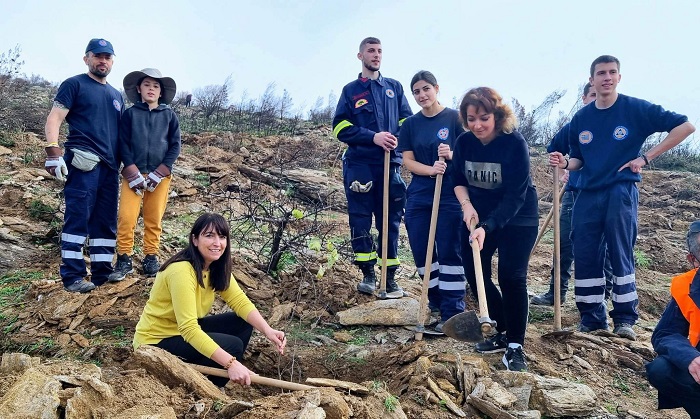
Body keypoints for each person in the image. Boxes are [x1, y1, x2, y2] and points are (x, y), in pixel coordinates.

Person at [550, 55, 695, 340]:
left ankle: (625, 319)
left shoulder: (635, 109)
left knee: (620, 252)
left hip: (621, 189)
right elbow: (578, 160)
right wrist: (565, 163)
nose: (606, 77)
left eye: (612, 72)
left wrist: (645, 157)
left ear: (619, 77)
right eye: (601, 73)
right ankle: (591, 318)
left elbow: (685, 127)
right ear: (591, 80)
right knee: (586, 252)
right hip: (588, 193)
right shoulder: (582, 117)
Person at [133, 213, 286, 387]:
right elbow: (189, 329)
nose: (217, 243)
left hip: (180, 332)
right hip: (156, 342)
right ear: (195, 239)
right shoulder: (181, 271)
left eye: (222, 237)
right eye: (209, 235)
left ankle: (214, 372)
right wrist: (231, 362)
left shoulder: (215, 266)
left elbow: (239, 301)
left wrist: (268, 331)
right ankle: (209, 385)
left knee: (241, 322)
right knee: (233, 346)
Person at [452, 87, 539, 371]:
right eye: (471, 118)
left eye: (484, 118)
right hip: (478, 215)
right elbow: (457, 179)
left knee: (512, 277)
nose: (477, 125)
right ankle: (502, 327)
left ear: (497, 116)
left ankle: (515, 345)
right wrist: (466, 206)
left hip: (518, 217)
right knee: (474, 273)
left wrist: (489, 226)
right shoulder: (465, 142)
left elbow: (516, 195)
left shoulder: (514, 143)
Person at [332, 37, 413, 297]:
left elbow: (407, 121)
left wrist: (397, 138)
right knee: (361, 219)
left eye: (379, 51)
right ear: (360, 56)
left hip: (390, 166)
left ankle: (389, 277)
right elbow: (340, 127)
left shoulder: (394, 87)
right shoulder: (351, 90)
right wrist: (373, 137)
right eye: (371, 51)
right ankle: (367, 273)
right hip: (360, 166)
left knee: (390, 219)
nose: (376, 55)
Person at [44, 38, 123, 293]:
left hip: (110, 168)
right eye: (97, 56)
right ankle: (73, 276)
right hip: (83, 162)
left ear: (112, 61)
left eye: (107, 57)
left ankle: (102, 273)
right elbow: (55, 117)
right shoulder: (74, 84)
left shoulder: (116, 95)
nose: (103, 61)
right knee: (78, 219)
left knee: (105, 223)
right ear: (86, 58)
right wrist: (54, 152)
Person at [531, 82, 613, 306]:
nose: (597, 99)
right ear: (584, 99)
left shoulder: (612, 127)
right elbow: (554, 149)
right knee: (564, 242)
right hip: (573, 191)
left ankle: (602, 297)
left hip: (603, 194)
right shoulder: (575, 125)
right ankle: (556, 293)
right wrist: (563, 170)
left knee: (602, 246)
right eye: (592, 95)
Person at [398, 70, 465, 332]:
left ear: (437, 88)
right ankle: (436, 303)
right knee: (422, 253)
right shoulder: (411, 125)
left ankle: (453, 311)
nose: (422, 95)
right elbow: (407, 160)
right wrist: (431, 169)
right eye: (416, 91)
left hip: (449, 193)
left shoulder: (454, 118)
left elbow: (468, 153)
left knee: (449, 250)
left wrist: (451, 155)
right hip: (419, 194)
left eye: (426, 89)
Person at [109, 68, 181, 281]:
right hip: (133, 176)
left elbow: (175, 146)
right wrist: (131, 170)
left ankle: (151, 257)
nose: (151, 89)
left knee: (153, 217)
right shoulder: (130, 114)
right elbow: (123, 143)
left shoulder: (169, 116)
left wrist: (160, 172)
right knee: (126, 217)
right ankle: (123, 258)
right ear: (139, 89)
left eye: (156, 86)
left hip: (160, 178)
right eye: (147, 85)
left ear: (161, 92)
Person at [646, 221, 700, 418]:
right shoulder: (686, 286)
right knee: (661, 369)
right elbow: (665, 333)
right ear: (693, 259)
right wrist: (690, 357)